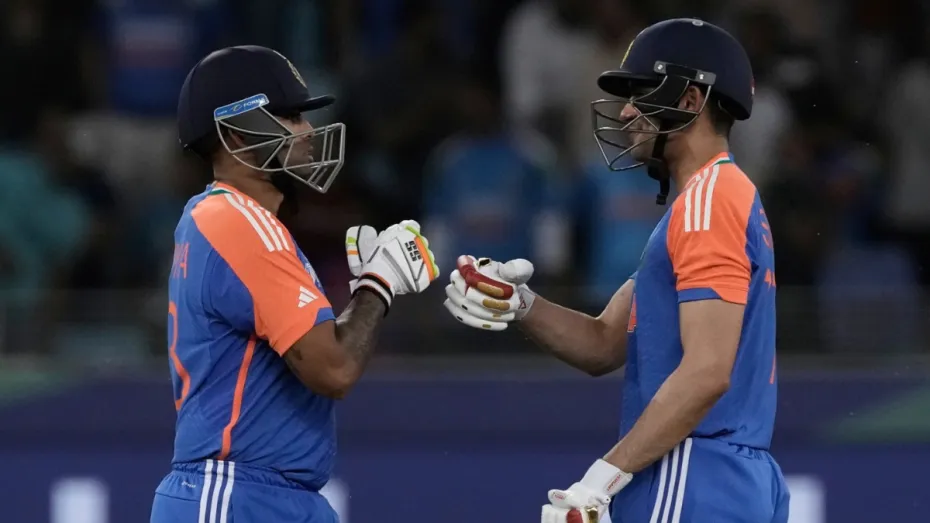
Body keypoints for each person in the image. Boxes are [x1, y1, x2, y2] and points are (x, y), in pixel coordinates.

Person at [444, 19, 789, 523]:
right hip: (724, 473)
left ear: (691, 100)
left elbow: (707, 372)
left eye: (642, 94)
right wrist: (520, 303)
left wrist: (601, 480)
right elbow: (604, 343)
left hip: (692, 469)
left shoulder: (708, 203)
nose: (627, 111)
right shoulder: (710, 200)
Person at [150, 45, 439, 523]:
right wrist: (379, 283)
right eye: (288, 117)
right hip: (236, 492)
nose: (306, 131)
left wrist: (370, 287)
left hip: (268, 491)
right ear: (236, 134)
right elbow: (334, 369)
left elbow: (318, 352)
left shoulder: (228, 219)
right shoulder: (238, 222)